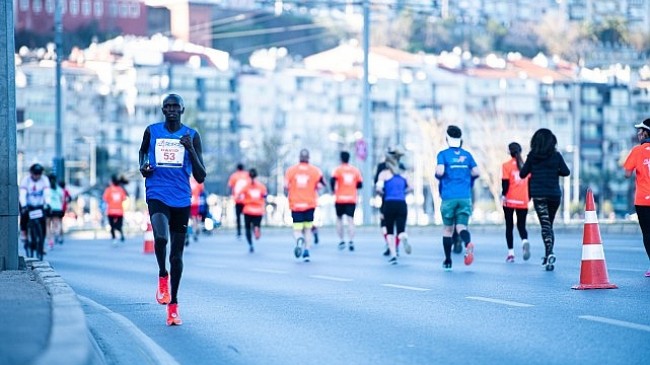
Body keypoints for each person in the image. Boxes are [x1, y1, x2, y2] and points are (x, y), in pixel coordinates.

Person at [139, 93, 206, 326]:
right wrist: (143, 167)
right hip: (157, 192)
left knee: (177, 256)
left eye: (175, 107)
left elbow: (200, 175)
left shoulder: (192, 135)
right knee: (160, 238)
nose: (171, 110)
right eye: (167, 107)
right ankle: (161, 275)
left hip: (181, 198)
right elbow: (142, 153)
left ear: (182, 110)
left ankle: (173, 306)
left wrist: (191, 150)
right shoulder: (152, 131)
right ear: (162, 110)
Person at [519, 128, 570, 272]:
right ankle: (548, 255)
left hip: (539, 195)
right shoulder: (556, 156)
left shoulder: (532, 156)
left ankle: (550, 253)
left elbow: (523, 174)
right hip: (554, 195)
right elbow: (566, 172)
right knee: (549, 226)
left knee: (545, 226)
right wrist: (555, 171)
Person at [435, 125, 479, 271]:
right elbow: (476, 172)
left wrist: (440, 174)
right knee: (461, 227)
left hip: (449, 197)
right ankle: (467, 244)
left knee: (448, 229)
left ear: (447, 139)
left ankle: (448, 261)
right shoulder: (467, 155)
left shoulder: (443, 154)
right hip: (465, 197)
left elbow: (440, 171)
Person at [284, 149, 325, 262]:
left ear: (299, 157)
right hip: (310, 204)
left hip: (296, 204)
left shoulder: (291, 171)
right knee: (308, 229)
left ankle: (299, 239)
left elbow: (285, 186)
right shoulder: (315, 171)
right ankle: (306, 251)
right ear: (308, 158)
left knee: (297, 229)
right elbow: (321, 185)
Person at [623, 118, 650, 277]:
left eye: (640, 132)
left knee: (648, 233)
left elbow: (627, 174)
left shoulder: (637, 151)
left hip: (643, 201)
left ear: (646, 133)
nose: (638, 134)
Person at [376, 154, 412, 264]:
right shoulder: (404, 174)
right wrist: (403, 192)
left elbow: (378, 189)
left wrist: (384, 192)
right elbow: (411, 188)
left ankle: (393, 255)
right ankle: (403, 236)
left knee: (390, 230)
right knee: (400, 229)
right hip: (401, 203)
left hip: (389, 203)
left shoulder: (384, 174)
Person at [501, 142, 530, 263]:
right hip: (523, 199)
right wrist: (529, 197)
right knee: (521, 225)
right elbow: (531, 184)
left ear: (509, 152)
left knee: (509, 226)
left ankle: (511, 254)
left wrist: (503, 195)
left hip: (510, 200)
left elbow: (505, 184)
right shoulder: (526, 166)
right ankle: (524, 241)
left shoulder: (506, 165)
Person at [331, 151, 363, 251]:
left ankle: (341, 240)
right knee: (350, 220)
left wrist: (334, 190)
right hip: (351, 198)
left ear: (341, 159)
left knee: (339, 219)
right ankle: (351, 241)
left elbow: (332, 181)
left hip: (340, 198)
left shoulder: (338, 170)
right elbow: (360, 184)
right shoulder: (355, 170)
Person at [19, 163, 51, 259]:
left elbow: (47, 194)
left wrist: (47, 204)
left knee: (43, 223)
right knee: (24, 217)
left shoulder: (44, 180)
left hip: (39, 206)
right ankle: (24, 234)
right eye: (35, 174)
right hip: (28, 205)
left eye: (39, 174)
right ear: (31, 173)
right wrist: (24, 206)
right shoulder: (26, 180)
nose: (37, 176)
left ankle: (42, 242)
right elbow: (22, 194)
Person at [240, 168, 267, 253]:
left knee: (247, 228)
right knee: (257, 224)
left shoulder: (246, 186)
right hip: (258, 210)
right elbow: (265, 195)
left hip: (248, 209)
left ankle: (250, 244)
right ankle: (256, 228)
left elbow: (240, 197)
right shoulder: (261, 186)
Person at [103, 174, 128, 246]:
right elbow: (124, 198)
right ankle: (121, 234)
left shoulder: (109, 189)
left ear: (112, 182)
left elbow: (105, 198)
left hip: (111, 211)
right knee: (119, 225)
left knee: (112, 226)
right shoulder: (121, 189)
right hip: (119, 211)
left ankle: (114, 238)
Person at [228, 163, 250, 240]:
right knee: (247, 217)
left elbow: (230, 186)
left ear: (237, 168)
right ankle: (249, 231)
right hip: (246, 200)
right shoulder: (247, 175)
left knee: (238, 217)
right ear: (243, 168)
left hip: (237, 200)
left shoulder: (234, 176)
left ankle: (239, 232)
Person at [46, 174, 65, 249]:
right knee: (56, 224)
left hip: (49, 208)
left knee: (47, 225)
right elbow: (62, 200)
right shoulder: (60, 189)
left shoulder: (46, 189)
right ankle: (56, 233)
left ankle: (50, 242)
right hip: (58, 209)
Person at [189, 175, 204, 244]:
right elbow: (202, 191)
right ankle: (195, 229)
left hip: (187, 202)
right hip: (195, 202)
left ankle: (188, 231)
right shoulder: (198, 182)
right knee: (195, 218)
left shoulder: (187, 181)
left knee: (188, 218)